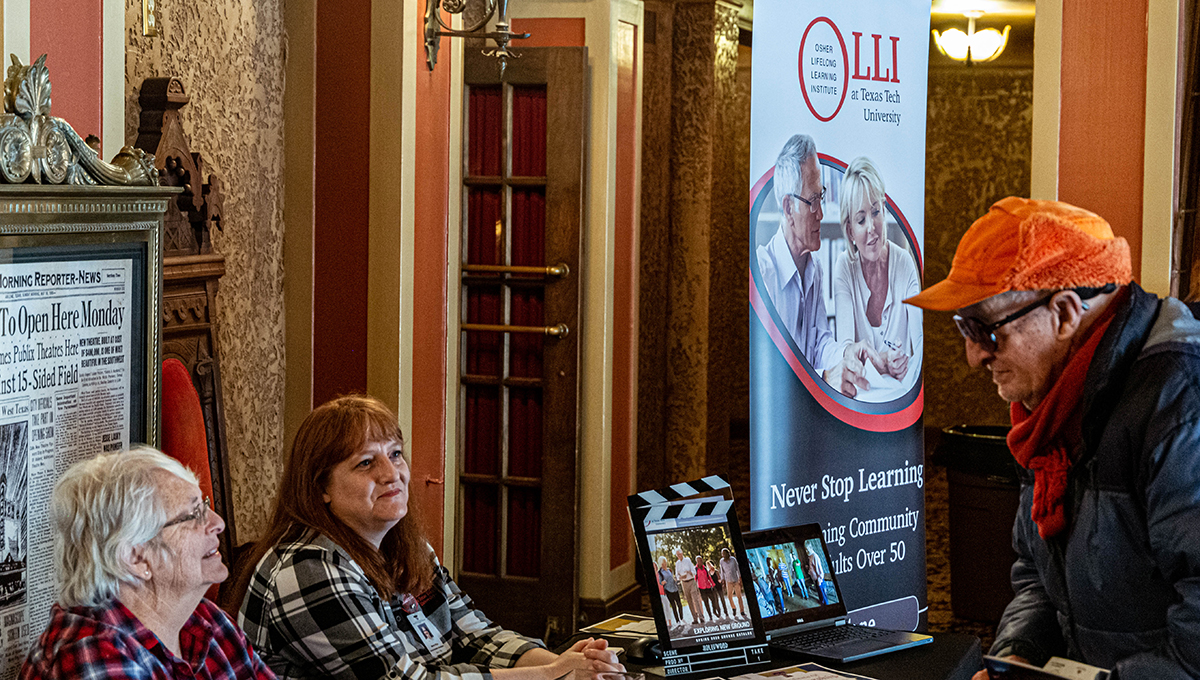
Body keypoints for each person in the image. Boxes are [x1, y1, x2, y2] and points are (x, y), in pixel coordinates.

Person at [904, 197, 1200, 679]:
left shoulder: (1180, 402)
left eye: (984, 328)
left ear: (1064, 313)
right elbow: (1039, 578)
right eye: (964, 327)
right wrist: (1018, 655)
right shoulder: (1050, 410)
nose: (973, 357)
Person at [234, 395, 622, 680]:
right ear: (321, 488)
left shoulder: (407, 547)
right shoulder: (308, 567)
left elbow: (474, 635)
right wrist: (553, 674)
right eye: (366, 462)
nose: (392, 474)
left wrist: (569, 661)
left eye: (396, 454)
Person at [21, 448, 272, 680]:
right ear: (136, 558)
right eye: (194, 514)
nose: (218, 523)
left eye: (204, 505)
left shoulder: (209, 623)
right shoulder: (93, 655)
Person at [755, 133, 879, 396]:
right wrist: (825, 377)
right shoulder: (763, 274)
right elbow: (768, 375)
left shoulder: (815, 268)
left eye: (820, 198)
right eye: (812, 202)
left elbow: (819, 345)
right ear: (788, 208)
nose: (821, 214)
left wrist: (847, 354)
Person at [832, 156, 922, 398]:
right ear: (850, 231)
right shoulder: (843, 267)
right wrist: (882, 363)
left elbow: (922, 343)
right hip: (862, 399)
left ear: (884, 210)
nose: (871, 227)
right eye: (861, 220)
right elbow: (846, 351)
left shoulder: (904, 263)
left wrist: (906, 364)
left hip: (902, 398)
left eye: (876, 212)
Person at [674, 550, 705, 625]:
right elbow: (677, 576)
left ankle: (701, 617)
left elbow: (694, 571)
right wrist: (680, 577)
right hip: (684, 583)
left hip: (691, 581)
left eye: (680, 554)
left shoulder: (688, 560)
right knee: (689, 601)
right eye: (677, 555)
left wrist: (690, 572)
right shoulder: (677, 564)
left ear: (682, 554)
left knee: (695, 599)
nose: (679, 556)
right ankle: (695, 618)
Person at [718, 548, 747, 618]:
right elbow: (722, 571)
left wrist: (740, 578)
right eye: (722, 554)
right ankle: (733, 608)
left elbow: (738, 568)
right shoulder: (721, 561)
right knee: (729, 596)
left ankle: (742, 611)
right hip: (728, 581)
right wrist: (723, 581)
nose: (723, 555)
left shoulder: (733, 559)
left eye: (724, 554)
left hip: (736, 580)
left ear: (727, 554)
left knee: (739, 596)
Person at [656, 556, 683, 626]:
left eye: (664, 562)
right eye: (662, 563)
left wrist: (677, 581)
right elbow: (660, 582)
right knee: (674, 606)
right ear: (660, 564)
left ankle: (681, 618)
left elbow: (673, 579)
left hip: (675, 589)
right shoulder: (660, 573)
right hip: (668, 591)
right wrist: (663, 582)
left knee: (679, 605)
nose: (664, 564)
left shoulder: (670, 570)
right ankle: (678, 621)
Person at [695, 555, 720, 620]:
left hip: (708, 587)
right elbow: (695, 579)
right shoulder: (695, 569)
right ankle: (710, 616)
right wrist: (696, 588)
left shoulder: (705, 568)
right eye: (699, 561)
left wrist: (713, 584)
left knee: (713, 600)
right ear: (697, 561)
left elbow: (708, 577)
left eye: (701, 560)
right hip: (702, 589)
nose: (700, 561)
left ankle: (714, 611)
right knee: (706, 603)